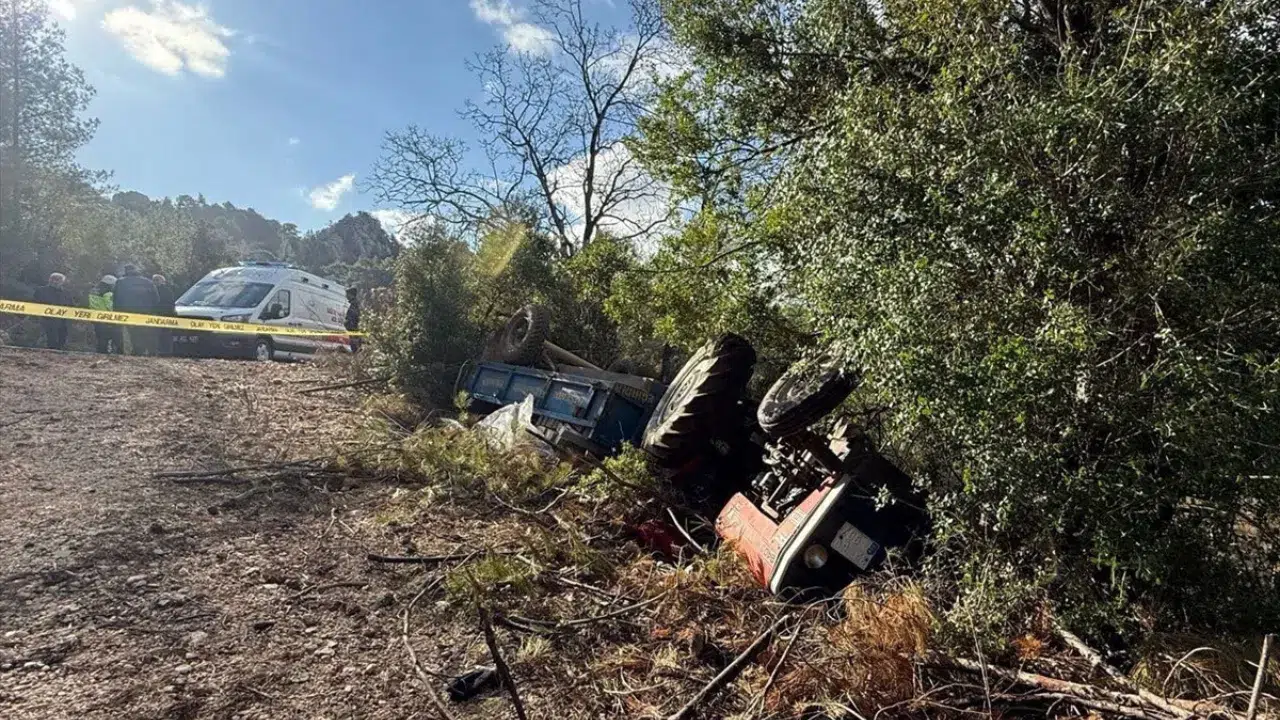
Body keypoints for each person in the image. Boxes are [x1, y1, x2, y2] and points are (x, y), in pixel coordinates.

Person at [112, 264, 159, 355]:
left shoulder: (120, 282)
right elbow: (156, 299)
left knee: (131, 334)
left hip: (127, 313)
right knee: (144, 333)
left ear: (126, 271)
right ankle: (146, 352)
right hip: (146, 313)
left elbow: (116, 299)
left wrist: (116, 314)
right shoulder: (148, 282)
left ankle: (134, 352)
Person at [33, 273, 71, 350]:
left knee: (62, 338)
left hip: (62, 320)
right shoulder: (41, 290)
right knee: (49, 338)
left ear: (62, 282)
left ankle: (59, 351)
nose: (55, 281)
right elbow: (34, 302)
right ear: (49, 280)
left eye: (58, 280)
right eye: (53, 279)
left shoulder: (66, 293)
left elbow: (71, 305)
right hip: (45, 319)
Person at [88, 275, 122, 354]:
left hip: (96, 317)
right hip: (107, 318)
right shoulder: (108, 293)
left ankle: (100, 354)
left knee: (100, 338)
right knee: (113, 338)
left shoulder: (93, 291)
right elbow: (110, 306)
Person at [153, 274, 176, 356]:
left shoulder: (158, 291)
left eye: (156, 280)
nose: (155, 282)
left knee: (162, 334)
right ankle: (166, 351)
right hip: (165, 315)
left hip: (161, 315)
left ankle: (163, 351)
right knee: (165, 334)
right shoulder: (168, 290)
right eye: (154, 280)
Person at [344, 286, 362, 352]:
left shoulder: (355, 304)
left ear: (351, 294)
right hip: (354, 329)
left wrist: (348, 323)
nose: (346, 296)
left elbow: (354, 317)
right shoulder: (355, 304)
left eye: (347, 294)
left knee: (355, 347)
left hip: (354, 329)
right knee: (355, 346)